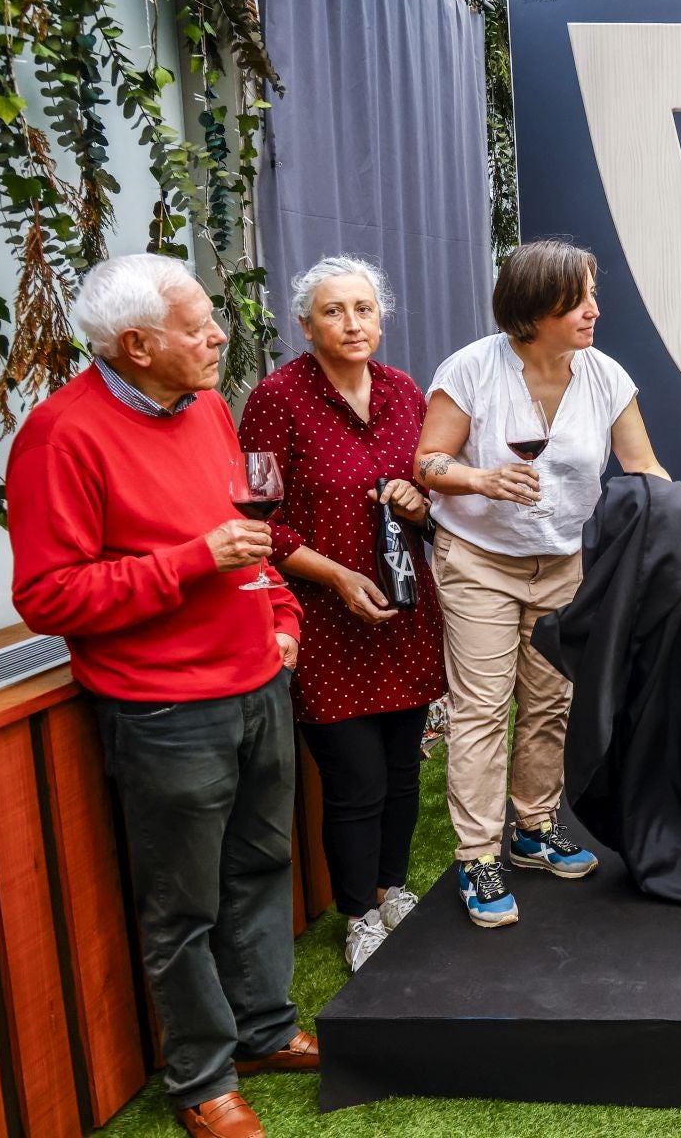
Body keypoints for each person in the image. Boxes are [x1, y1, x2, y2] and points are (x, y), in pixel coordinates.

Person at [9, 255, 316, 1138]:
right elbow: (48, 595)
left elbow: (248, 535)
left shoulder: (209, 407)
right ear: (137, 345)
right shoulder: (61, 435)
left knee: (260, 870)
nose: (219, 335)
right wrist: (190, 563)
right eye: (198, 327)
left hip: (259, 680)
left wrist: (283, 615)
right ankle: (201, 1080)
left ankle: (262, 1032)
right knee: (184, 907)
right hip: (165, 712)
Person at [416, 239, 671, 928]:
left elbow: (642, 466)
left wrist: (680, 519)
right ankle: (477, 856)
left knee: (551, 705)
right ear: (536, 309)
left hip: (563, 563)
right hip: (479, 561)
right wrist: (481, 478)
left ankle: (532, 828)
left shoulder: (605, 377)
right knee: (481, 711)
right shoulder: (472, 370)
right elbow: (429, 463)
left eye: (593, 293)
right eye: (579, 298)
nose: (594, 309)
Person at [238, 256, 444, 972]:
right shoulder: (274, 399)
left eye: (363, 309)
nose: (352, 323)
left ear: (381, 318)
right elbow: (259, 519)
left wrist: (421, 504)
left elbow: (428, 490)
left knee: (401, 771)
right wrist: (335, 575)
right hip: (326, 623)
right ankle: (359, 913)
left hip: (405, 614)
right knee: (353, 780)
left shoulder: (405, 392)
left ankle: (393, 889)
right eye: (334, 311)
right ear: (305, 324)